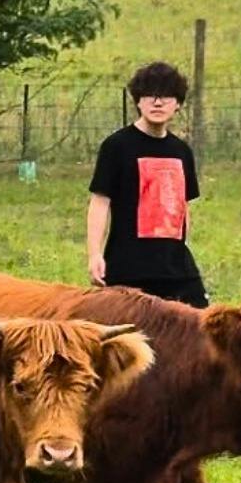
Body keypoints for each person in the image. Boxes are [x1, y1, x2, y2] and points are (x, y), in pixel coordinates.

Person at [86, 60, 208, 307]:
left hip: (176, 268)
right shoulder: (116, 146)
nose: (158, 102)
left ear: (178, 104)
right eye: (150, 95)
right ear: (138, 101)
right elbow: (100, 202)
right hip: (128, 268)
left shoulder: (181, 151)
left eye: (166, 96)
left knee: (201, 331)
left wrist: (181, 247)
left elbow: (183, 207)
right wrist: (95, 254)